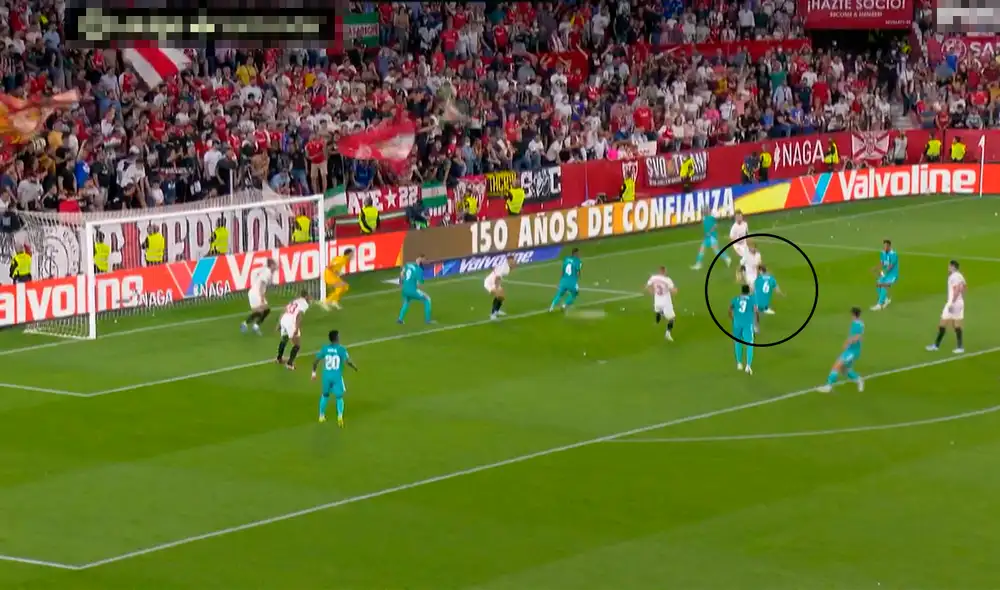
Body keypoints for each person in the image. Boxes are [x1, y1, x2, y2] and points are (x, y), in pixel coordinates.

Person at [312, 329, 359, 427]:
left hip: (326, 376)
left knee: (325, 395)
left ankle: (321, 416)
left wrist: (313, 373)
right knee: (339, 397)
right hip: (336, 377)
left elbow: (316, 360)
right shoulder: (341, 349)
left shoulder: (325, 349)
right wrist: (355, 367)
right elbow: (348, 361)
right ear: (337, 338)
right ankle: (340, 416)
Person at [817, 307, 865, 393]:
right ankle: (858, 379)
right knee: (844, 370)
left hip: (852, 351)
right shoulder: (859, 323)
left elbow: (857, 337)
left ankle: (828, 386)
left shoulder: (857, 324)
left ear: (853, 314)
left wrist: (847, 342)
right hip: (852, 350)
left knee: (837, 365)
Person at [926, 260, 966, 354]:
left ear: (953, 267)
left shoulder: (953, 276)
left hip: (953, 302)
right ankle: (960, 347)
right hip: (959, 302)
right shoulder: (960, 276)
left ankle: (936, 346)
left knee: (943, 323)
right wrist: (959, 297)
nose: (948, 268)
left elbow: (956, 289)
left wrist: (952, 302)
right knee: (956, 324)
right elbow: (964, 287)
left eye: (949, 266)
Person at [276, 289, 311, 369]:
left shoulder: (294, 301)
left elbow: (284, 311)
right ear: (306, 296)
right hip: (290, 322)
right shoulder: (304, 303)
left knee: (284, 339)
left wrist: (279, 324)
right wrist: (296, 328)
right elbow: (299, 316)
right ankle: (289, 364)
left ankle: (279, 358)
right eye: (309, 296)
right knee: (297, 344)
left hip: (284, 320)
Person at [242, 258, 278, 334]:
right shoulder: (267, 272)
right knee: (265, 310)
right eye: (275, 265)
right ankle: (254, 326)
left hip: (253, 293)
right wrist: (262, 298)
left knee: (261, 312)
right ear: (271, 265)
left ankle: (247, 324)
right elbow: (262, 284)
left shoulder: (267, 271)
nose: (276, 266)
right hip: (256, 293)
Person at [691, 205, 731, 271]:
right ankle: (698, 264)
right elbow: (706, 228)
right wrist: (705, 234)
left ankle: (727, 258)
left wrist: (709, 232)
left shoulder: (711, 217)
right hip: (707, 237)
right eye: (703, 210)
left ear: (708, 210)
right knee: (701, 249)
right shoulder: (704, 218)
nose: (703, 211)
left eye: (704, 210)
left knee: (716, 251)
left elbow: (715, 225)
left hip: (712, 236)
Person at [729, 284, 758, 375]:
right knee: (749, 343)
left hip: (737, 323)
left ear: (741, 291)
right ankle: (748, 366)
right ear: (749, 291)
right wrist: (756, 324)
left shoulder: (735, 299)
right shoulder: (752, 299)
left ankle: (739, 363)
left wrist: (732, 318)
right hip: (747, 324)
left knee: (737, 342)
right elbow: (756, 311)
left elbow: (730, 309)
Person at [397, 256, 433, 324]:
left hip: (404, 289)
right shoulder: (419, 270)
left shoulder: (408, 264)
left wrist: (401, 284)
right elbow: (419, 284)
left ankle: (400, 319)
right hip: (412, 290)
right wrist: (422, 292)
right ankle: (428, 320)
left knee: (406, 302)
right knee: (427, 299)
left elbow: (401, 274)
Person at [646, 266, 678, 341]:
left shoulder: (653, 277)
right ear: (664, 271)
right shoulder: (667, 280)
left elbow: (648, 286)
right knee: (672, 318)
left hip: (657, 300)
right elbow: (673, 291)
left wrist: (650, 290)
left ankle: (657, 322)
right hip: (666, 302)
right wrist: (675, 290)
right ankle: (667, 334)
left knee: (658, 310)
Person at [871, 239, 899, 311]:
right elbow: (882, 263)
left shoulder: (893, 254)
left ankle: (879, 305)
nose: (884, 247)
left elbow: (891, 266)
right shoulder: (882, 253)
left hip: (892, 275)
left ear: (889, 246)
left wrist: (882, 272)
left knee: (884, 285)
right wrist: (875, 268)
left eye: (886, 246)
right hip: (885, 274)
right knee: (878, 284)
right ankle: (885, 299)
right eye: (884, 246)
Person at [485, 254, 515, 320]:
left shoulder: (507, 267)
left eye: (513, 261)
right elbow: (497, 278)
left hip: (495, 281)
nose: (512, 262)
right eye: (511, 261)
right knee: (499, 296)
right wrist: (496, 288)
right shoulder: (504, 267)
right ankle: (493, 315)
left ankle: (497, 311)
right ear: (508, 261)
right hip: (490, 282)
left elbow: (496, 271)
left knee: (501, 297)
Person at [729, 211, 749, 276]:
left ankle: (743, 270)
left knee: (747, 257)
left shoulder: (745, 224)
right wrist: (737, 241)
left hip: (744, 243)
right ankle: (739, 270)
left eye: (740, 216)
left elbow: (746, 233)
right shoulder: (734, 227)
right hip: (737, 245)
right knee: (746, 256)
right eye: (737, 217)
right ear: (735, 218)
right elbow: (731, 238)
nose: (739, 218)